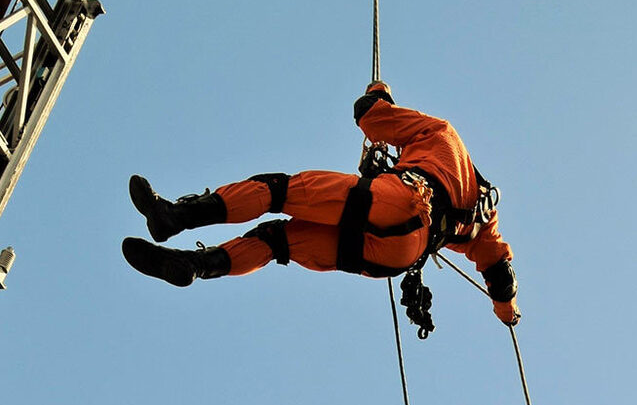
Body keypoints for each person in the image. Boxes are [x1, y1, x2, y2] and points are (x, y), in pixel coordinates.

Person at [122, 82, 520, 325]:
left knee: (278, 191)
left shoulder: (441, 137)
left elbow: (370, 117)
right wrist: (508, 313)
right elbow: (499, 272)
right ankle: (192, 266)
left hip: (398, 201)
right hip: (397, 255)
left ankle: (175, 216)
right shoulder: (483, 217)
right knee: (277, 241)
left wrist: (378, 92)